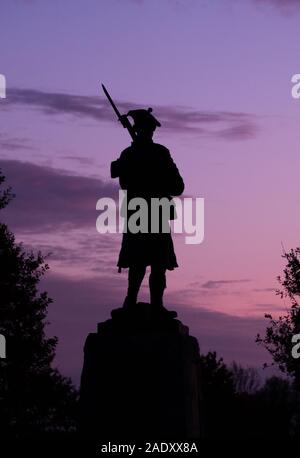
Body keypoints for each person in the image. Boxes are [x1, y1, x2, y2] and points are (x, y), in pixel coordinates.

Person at [110, 108, 184, 314]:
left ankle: (156, 305)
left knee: (159, 262)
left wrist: (158, 177)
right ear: (138, 130)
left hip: (157, 213)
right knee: (137, 261)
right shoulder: (130, 155)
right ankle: (130, 300)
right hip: (139, 213)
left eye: (150, 130)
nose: (148, 133)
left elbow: (178, 186)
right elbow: (119, 177)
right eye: (145, 129)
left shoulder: (160, 153)